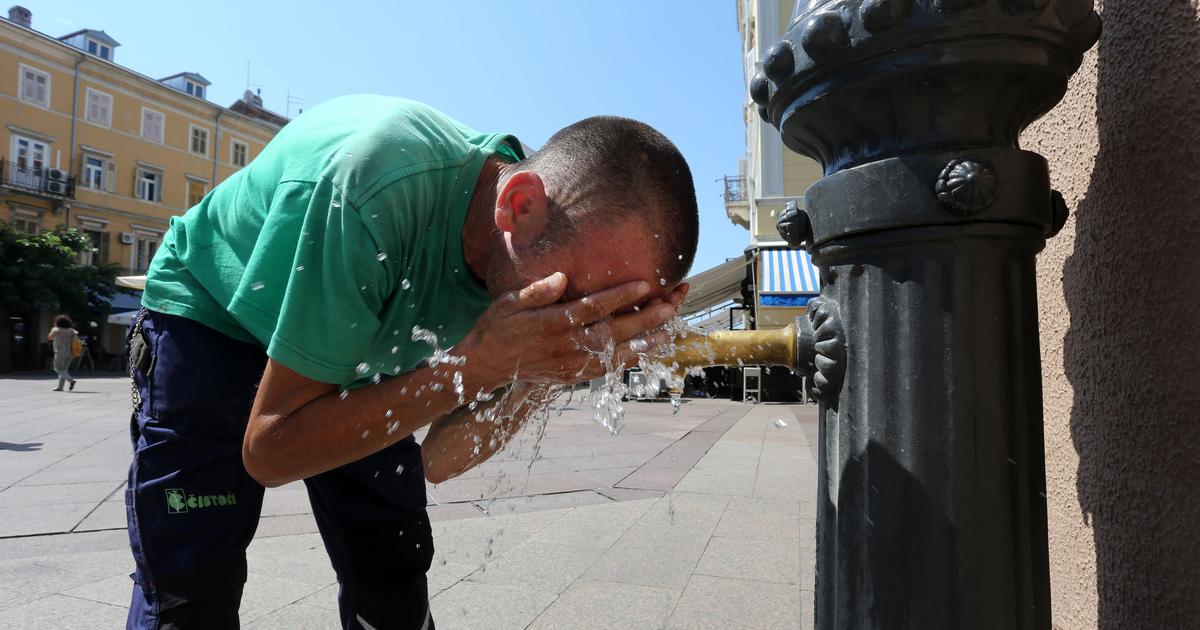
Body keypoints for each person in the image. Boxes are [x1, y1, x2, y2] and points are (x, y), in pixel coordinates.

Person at [124, 95, 698, 630]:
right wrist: (479, 364)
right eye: (580, 303)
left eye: (606, 317)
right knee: (191, 582)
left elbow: (440, 460)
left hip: (364, 348)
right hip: (215, 316)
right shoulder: (378, 186)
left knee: (393, 568)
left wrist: (541, 371)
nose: (579, 324)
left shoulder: (528, 263)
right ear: (519, 206)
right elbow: (270, 450)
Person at [47, 315, 78, 391]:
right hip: (70, 352)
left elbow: (50, 337)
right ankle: (60, 387)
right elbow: (76, 340)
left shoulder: (56, 329)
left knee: (57, 368)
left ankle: (71, 380)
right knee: (64, 370)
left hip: (61, 352)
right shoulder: (72, 330)